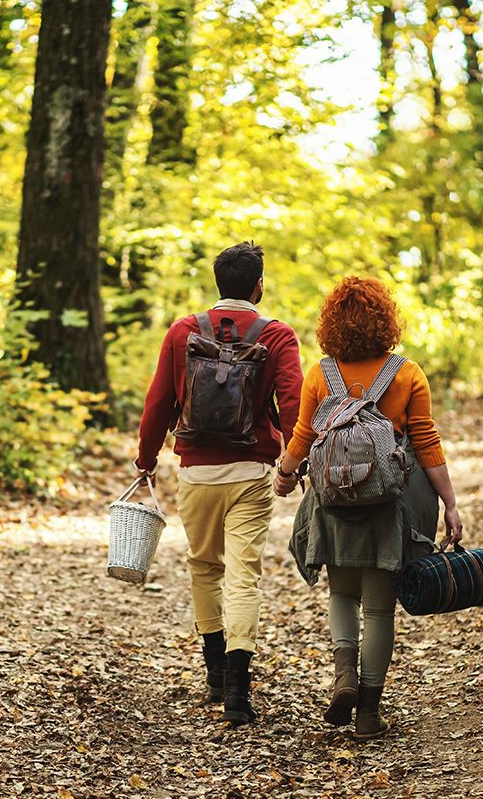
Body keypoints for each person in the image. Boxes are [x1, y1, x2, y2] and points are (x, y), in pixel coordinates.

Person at [273, 276, 466, 740]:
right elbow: (426, 441)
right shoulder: (406, 373)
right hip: (390, 502)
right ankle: (368, 715)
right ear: (386, 319)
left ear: (331, 323)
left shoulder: (322, 373)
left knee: (341, 593)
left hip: (333, 500)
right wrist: (451, 503)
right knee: (379, 609)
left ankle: (344, 678)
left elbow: (303, 435)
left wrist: (284, 473)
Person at [135, 241, 303, 726]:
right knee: (243, 573)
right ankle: (237, 690)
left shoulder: (184, 330)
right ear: (259, 286)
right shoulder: (277, 336)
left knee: (204, 567)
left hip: (197, 472)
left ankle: (213, 671)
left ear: (218, 283)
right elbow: (293, 406)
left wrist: (146, 459)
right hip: (251, 471)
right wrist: (293, 465)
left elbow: (159, 401)